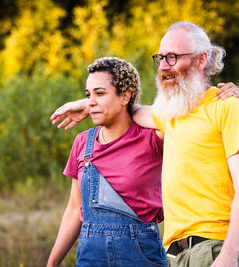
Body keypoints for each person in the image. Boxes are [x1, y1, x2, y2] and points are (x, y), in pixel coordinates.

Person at [51, 21, 239, 267]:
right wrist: (91, 104)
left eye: (173, 57)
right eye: (160, 59)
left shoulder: (227, 106)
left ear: (202, 60)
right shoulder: (170, 115)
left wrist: (230, 255)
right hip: (176, 253)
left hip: (214, 248)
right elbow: (129, 110)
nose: (164, 67)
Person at [47, 57, 167, 267]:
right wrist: (51, 264)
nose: (90, 102)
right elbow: (75, 210)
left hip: (140, 255)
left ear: (125, 96)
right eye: (88, 95)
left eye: (99, 93)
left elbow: (178, 117)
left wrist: (133, 109)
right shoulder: (83, 142)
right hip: (91, 255)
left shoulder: (152, 138)